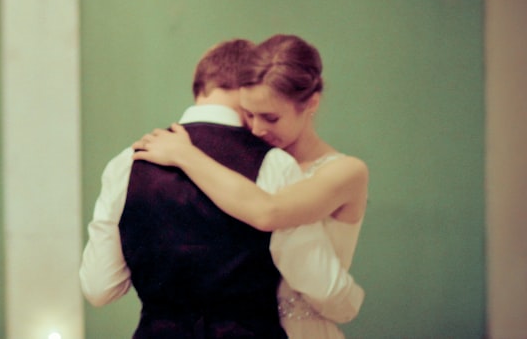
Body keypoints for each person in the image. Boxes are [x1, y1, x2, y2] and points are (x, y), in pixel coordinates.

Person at [80, 38, 363, 338]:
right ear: (245, 90)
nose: (257, 128)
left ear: (199, 85)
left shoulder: (127, 162)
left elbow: (98, 289)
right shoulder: (274, 164)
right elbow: (318, 281)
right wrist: (351, 305)